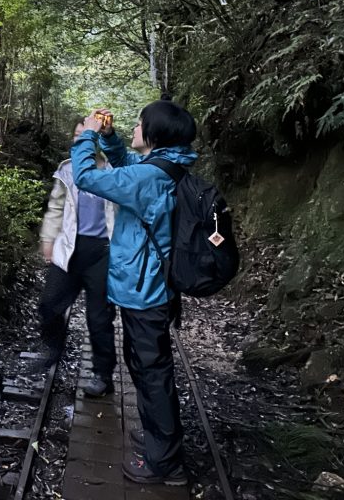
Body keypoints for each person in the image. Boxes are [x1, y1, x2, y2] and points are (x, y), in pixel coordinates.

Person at [70, 99, 195, 486]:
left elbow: (87, 178)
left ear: (154, 134)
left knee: (152, 374)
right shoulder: (165, 166)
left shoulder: (149, 178)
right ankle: (161, 440)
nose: (135, 128)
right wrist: (111, 140)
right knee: (147, 369)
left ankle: (164, 463)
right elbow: (128, 167)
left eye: (140, 124)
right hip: (154, 285)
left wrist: (86, 136)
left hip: (145, 291)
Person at [38, 116, 117, 397]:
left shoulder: (111, 170)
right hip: (70, 249)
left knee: (99, 317)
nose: (79, 139)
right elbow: (55, 207)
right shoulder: (67, 170)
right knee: (49, 304)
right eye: (75, 135)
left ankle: (102, 375)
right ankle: (53, 347)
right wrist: (48, 238)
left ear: (96, 139)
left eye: (86, 135)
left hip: (102, 253)